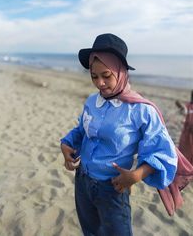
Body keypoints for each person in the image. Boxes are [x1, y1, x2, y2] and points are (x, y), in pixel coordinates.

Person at [60, 33, 178, 236]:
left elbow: (162, 151)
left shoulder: (141, 110)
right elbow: (81, 130)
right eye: (94, 76)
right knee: (90, 231)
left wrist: (136, 175)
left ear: (121, 72)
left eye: (106, 76)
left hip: (113, 188)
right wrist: (66, 145)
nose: (100, 83)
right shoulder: (91, 102)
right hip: (83, 182)